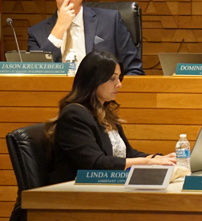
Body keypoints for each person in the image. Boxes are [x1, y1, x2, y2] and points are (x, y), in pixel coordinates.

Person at [46, 51, 175, 184]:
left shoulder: (105, 112)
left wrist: (158, 158)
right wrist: (148, 162)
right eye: (112, 79)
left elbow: (128, 154)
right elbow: (96, 163)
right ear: (94, 80)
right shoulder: (74, 115)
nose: (119, 84)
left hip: (104, 187)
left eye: (119, 78)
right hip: (74, 190)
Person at [27, 0, 143, 75]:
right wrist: (59, 28)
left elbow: (134, 70)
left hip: (99, 88)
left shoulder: (110, 21)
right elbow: (35, 76)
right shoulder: (36, 33)